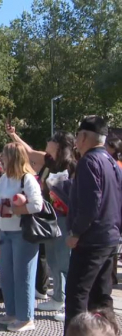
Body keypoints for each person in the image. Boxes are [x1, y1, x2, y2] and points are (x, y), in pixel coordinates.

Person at [7, 125, 77, 313]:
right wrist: (13, 135)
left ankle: (70, 302)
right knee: (53, 259)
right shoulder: (48, 160)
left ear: (60, 145)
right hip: (48, 217)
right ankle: (58, 298)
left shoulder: (72, 165)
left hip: (64, 217)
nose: (47, 142)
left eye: (51, 140)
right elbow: (28, 152)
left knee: (64, 261)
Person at [64, 116, 122, 334]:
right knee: (102, 296)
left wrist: (76, 233)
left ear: (85, 136)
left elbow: (91, 203)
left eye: (77, 135)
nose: (76, 141)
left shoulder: (89, 161)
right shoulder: (111, 162)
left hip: (91, 239)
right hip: (109, 237)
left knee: (78, 295)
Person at [0, 142, 43, 332]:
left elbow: (37, 205)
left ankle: (26, 317)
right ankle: (12, 312)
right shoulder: (4, 178)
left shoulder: (27, 179)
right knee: (7, 275)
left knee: (23, 276)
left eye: (5, 154)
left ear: (14, 157)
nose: (2, 157)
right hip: (4, 231)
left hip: (22, 233)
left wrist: (14, 209)